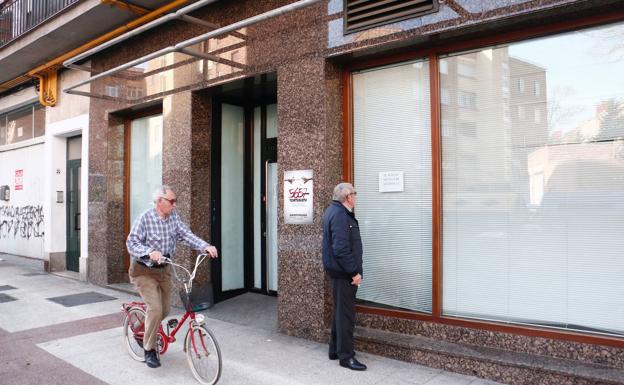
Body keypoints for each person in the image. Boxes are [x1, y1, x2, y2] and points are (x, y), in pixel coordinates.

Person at [126, 185, 218, 369]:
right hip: (143, 271)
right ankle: (149, 349)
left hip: (164, 270)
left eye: (175, 201)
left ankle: (142, 329)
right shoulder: (145, 218)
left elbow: (186, 234)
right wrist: (149, 251)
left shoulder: (173, 218)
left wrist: (205, 246)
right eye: (172, 201)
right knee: (155, 308)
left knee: (165, 310)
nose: (175, 205)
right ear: (160, 201)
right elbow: (131, 242)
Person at [322, 182, 366, 371]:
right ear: (347, 196)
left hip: (339, 272)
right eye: (354, 193)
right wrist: (354, 273)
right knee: (345, 315)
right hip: (344, 274)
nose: (356, 197)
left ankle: (335, 350)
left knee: (339, 312)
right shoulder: (340, 214)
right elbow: (340, 249)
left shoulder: (335, 211)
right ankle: (346, 357)